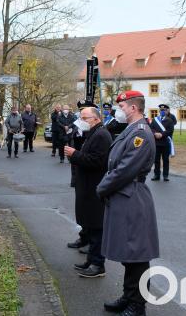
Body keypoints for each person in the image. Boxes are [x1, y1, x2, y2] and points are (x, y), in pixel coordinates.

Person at [97, 90, 159, 316]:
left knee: (137, 255)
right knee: (129, 253)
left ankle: (137, 304)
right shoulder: (131, 129)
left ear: (133, 108)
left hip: (132, 196)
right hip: (124, 195)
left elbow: (125, 169)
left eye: (122, 107)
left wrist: (102, 187)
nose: (118, 111)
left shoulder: (140, 133)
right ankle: (129, 296)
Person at [65, 107, 112, 278]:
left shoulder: (102, 135)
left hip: (94, 187)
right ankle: (91, 260)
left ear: (96, 119)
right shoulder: (94, 133)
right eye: (81, 117)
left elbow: (98, 161)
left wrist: (75, 154)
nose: (81, 121)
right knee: (91, 226)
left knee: (97, 227)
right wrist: (75, 155)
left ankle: (98, 264)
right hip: (87, 186)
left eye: (85, 118)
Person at [150, 104, 175, 181]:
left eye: (164, 110)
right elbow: (151, 128)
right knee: (156, 160)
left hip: (165, 143)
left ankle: (165, 175)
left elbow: (170, 130)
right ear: (159, 111)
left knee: (165, 160)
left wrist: (161, 134)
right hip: (156, 143)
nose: (162, 111)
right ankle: (156, 175)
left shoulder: (170, 120)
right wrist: (155, 133)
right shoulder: (155, 120)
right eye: (161, 110)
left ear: (166, 111)